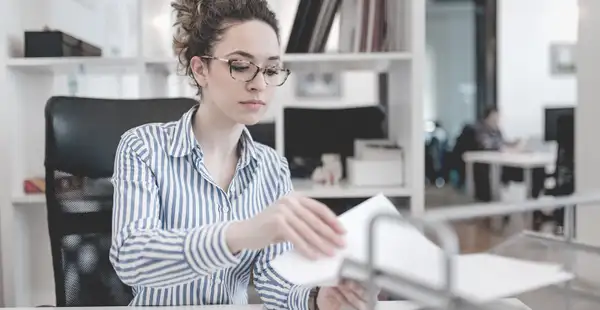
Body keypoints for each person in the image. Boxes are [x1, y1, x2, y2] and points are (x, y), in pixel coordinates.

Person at [109, 0, 372, 309]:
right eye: (241, 65)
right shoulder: (143, 147)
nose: (260, 84)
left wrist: (317, 300)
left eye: (271, 69)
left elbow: (273, 278)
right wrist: (240, 234)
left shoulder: (271, 168)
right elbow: (131, 257)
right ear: (200, 69)